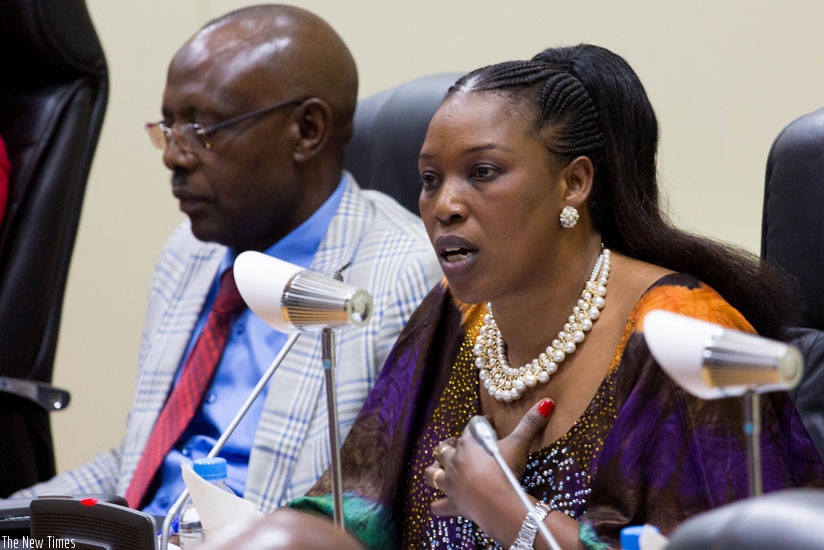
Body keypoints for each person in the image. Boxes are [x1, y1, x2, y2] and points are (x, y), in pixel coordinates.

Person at [202, 44, 824, 549]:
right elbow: (356, 503)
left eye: (482, 173)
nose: (443, 205)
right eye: (428, 180)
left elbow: (740, 541)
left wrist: (510, 513)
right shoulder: (458, 312)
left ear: (573, 183)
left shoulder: (679, 333)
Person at [10, 4, 441, 518]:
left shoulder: (403, 276)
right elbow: (139, 463)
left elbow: (359, 506)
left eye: (202, 127)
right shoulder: (189, 251)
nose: (173, 155)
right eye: (168, 127)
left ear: (307, 130)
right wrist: (14, 517)